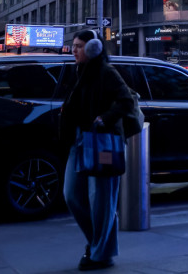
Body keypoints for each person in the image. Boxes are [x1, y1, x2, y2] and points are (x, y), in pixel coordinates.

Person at [60, 30, 135, 271]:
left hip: (103, 141)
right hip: (80, 141)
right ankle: (97, 244)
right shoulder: (78, 72)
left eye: (80, 46)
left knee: (101, 200)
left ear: (94, 48)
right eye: (73, 45)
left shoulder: (106, 72)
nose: (74, 50)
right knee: (72, 195)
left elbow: (126, 101)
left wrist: (106, 117)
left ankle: (101, 254)